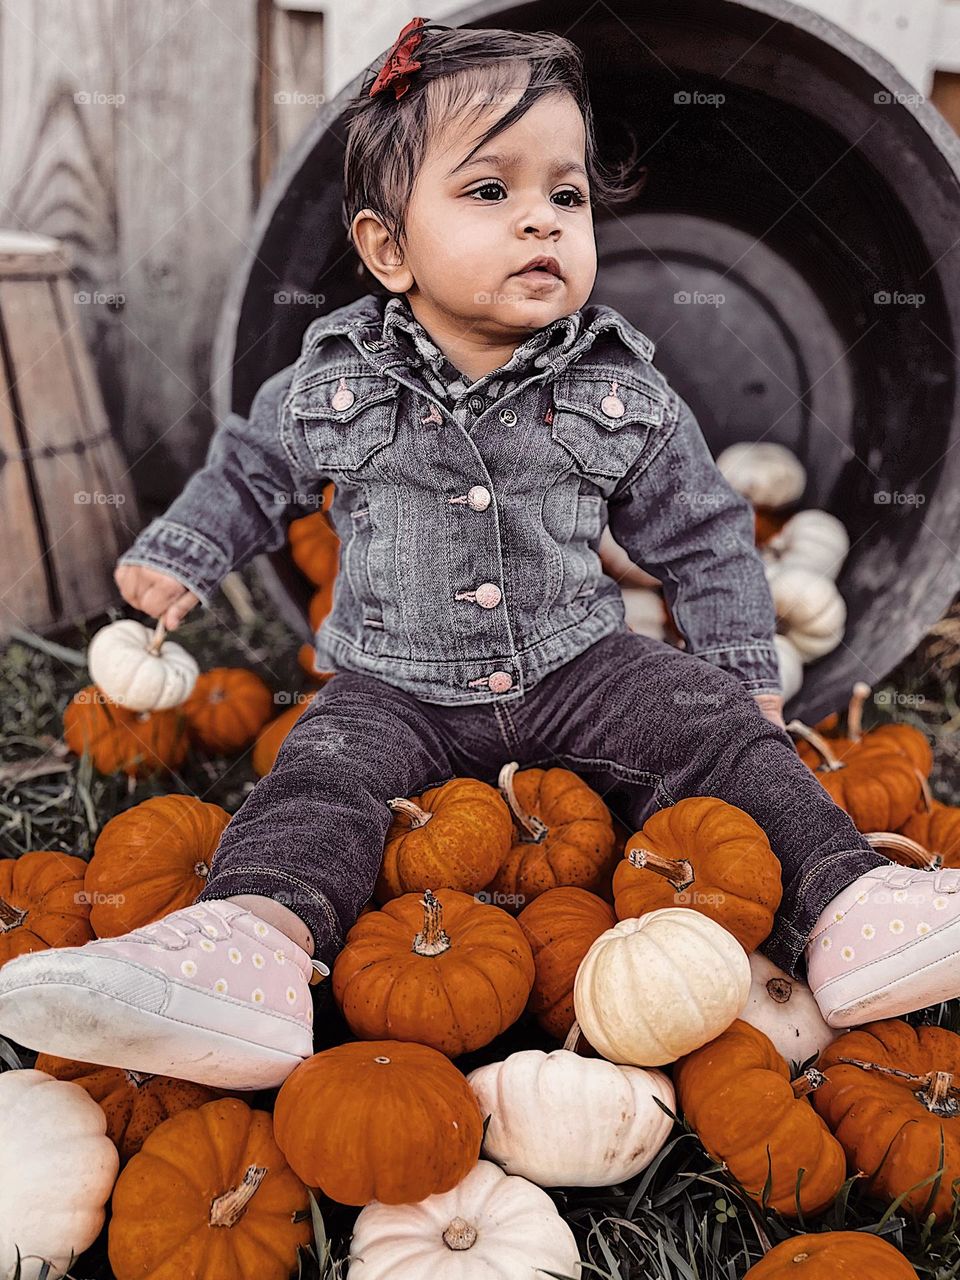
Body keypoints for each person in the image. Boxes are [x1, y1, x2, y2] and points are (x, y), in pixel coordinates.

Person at [1, 20, 957, 1091]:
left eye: (568, 194)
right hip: (391, 682)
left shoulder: (620, 386)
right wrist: (183, 553)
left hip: (581, 666)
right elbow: (252, 465)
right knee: (316, 780)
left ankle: (853, 905)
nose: (543, 218)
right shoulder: (335, 380)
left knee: (720, 735)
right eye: (491, 192)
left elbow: (705, 532)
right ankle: (252, 949)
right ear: (388, 249)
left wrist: (746, 678)